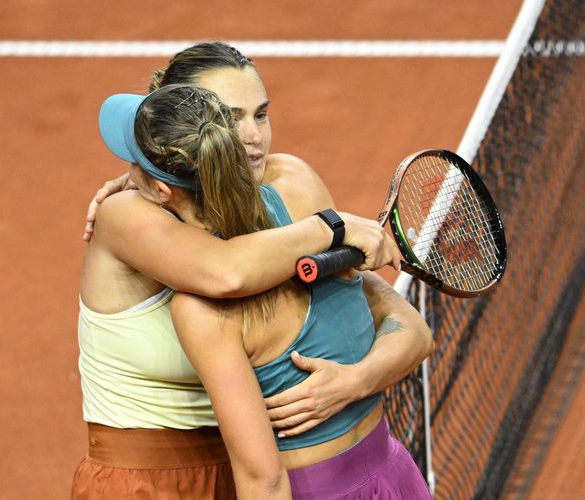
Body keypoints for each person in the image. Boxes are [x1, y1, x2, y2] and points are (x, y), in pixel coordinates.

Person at [93, 84, 433, 498]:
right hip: (394, 475)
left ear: (159, 190)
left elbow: (264, 479)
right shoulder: (296, 213)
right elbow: (414, 331)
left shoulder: (202, 310)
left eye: (133, 161)